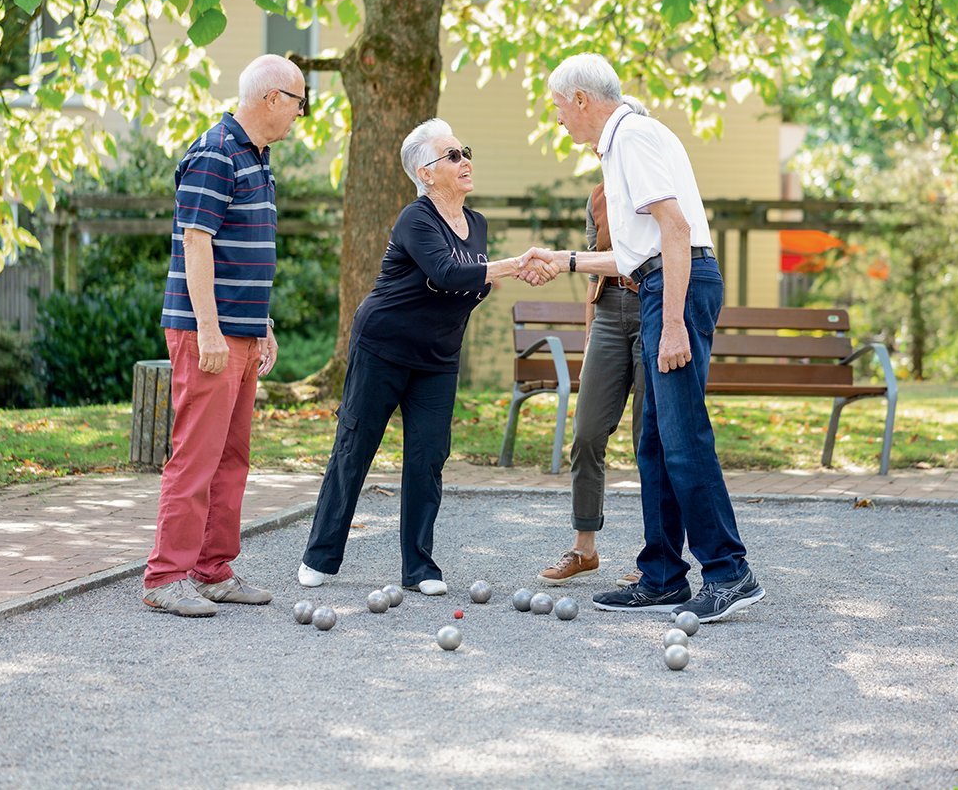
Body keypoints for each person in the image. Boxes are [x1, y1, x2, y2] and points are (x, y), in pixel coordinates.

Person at [522, 53, 765, 623]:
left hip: (675, 288)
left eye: (559, 108)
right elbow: (635, 250)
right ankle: (661, 576)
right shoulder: (623, 141)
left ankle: (730, 572)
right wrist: (565, 260)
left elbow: (676, 230)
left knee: (681, 436)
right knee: (655, 439)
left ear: (582, 99)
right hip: (661, 280)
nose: (559, 122)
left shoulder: (630, 136)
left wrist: (674, 320)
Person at [298, 118, 555, 595]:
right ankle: (320, 556)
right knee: (355, 448)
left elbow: (467, 285)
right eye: (452, 155)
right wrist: (508, 267)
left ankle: (419, 569)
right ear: (426, 171)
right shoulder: (414, 218)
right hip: (383, 346)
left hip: (438, 356)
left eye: (465, 151)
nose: (465, 162)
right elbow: (446, 271)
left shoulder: (476, 223)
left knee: (428, 456)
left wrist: (507, 275)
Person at [142, 54, 306, 617]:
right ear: (271, 98)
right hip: (204, 333)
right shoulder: (216, 151)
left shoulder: (257, 159)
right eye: (298, 103)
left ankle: (212, 570)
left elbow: (247, 251)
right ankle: (165, 577)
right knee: (196, 456)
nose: (299, 115)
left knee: (232, 456)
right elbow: (197, 241)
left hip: (241, 333)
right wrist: (210, 329)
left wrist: (262, 324)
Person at [536, 98, 651, 589]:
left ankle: (658, 555)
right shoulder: (598, 198)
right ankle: (585, 548)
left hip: (651, 307)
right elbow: (593, 266)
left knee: (654, 439)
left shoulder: (657, 184)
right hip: (608, 311)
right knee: (586, 433)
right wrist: (588, 339)